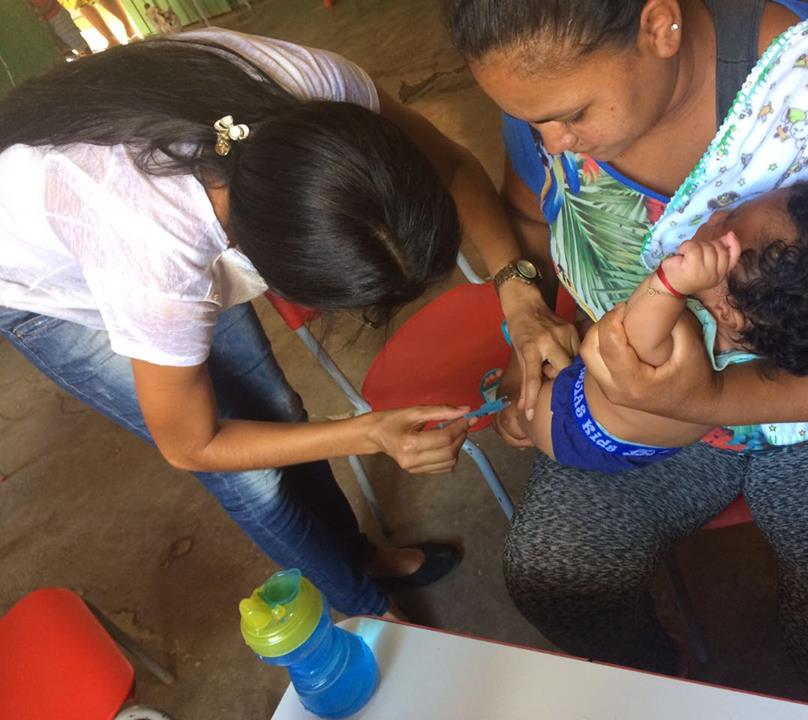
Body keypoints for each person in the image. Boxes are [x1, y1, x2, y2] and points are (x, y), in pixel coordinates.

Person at [443, 0, 808, 717]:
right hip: (642, 385)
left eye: (572, 115)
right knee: (556, 573)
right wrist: (528, 316)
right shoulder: (542, 101)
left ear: (660, 25)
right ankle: (657, 679)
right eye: (529, 120)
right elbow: (532, 216)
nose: (552, 143)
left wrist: (708, 399)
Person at [0, 28, 536, 620]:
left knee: (275, 409)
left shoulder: (323, 91)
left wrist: (520, 293)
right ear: (260, 262)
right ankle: (369, 611)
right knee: (254, 479)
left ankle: (358, 557)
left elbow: (451, 164)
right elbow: (193, 444)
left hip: (130, 213)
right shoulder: (158, 255)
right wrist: (369, 433)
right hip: (38, 283)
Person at [521, 184, 808, 472]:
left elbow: (628, 345)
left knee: (529, 408)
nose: (716, 217)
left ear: (727, 310)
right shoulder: (761, 355)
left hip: (572, 426)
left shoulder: (685, 338)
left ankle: (514, 420)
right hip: (634, 441)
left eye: (728, 231)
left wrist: (669, 284)